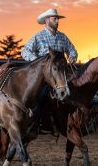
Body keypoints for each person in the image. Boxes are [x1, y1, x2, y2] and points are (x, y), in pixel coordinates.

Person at [21, 8, 78, 138]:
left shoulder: (62, 37)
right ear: (47, 21)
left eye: (57, 19)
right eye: (55, 19)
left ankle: (72, 123)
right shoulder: (38, 36)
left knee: (73, 93)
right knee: (40, 97)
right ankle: (36, 124)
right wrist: (37, 61)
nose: (57, 21)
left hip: (60, 74)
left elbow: (72, 49)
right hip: (44, 77)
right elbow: (25, 51)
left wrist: (73, 56)